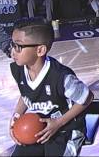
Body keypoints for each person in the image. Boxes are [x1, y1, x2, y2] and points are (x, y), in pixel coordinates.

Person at [9, 17, 94, 156]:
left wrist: (58, 123)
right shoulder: (18, 69)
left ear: (40, 50)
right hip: (38, 128)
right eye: (12, 44)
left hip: (66, 129)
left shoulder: (61, 76)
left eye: (18, 46)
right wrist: (16, 116)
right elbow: (25, 94)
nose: (13, 51)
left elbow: (87, 97)